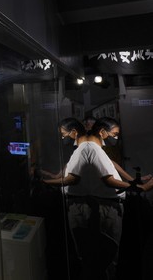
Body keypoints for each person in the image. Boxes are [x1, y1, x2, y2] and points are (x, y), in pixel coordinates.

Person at [44, 117, 153, 280]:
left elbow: (110, 165)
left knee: (102, 256)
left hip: (102, 205)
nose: (115, 138)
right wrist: (138, 188)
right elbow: (102, 179)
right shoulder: (88, 147)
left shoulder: (91, 147)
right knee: (102, 256)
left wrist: (132, 181)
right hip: (97, 205)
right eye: (114, 134)